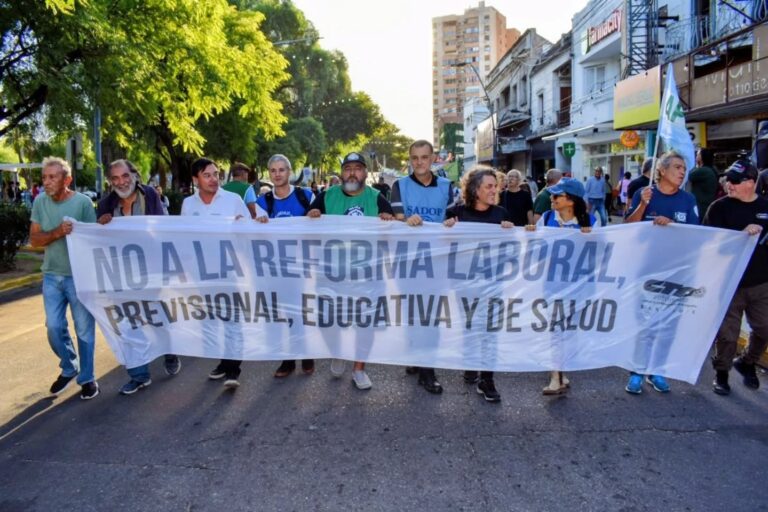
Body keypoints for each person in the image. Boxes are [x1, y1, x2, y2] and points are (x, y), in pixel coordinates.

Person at [307, 152, 394, 390]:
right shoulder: (326, 196)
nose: (352, 173)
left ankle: (359, 369)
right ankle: (338, 352)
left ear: (365, 173)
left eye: (357, 168)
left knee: (365, 323)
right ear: (342, 172)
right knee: (328, 322)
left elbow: (395, 232)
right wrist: (312, 216)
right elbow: (306, 226)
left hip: (367, 274)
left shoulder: (377, 198)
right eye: (348, 168)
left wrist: (389, 221)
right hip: (331, 274)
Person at [96, 159, 182, 395]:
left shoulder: (151, 196)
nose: (121, 182)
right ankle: (139, 375)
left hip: (152, 271)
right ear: (110, 181)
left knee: (158, 317)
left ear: (134, 175)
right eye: (115, 178)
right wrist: (100, 225)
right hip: (122, 276)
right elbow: (98, 241)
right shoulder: (105, 204)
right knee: (128, 323)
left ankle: (169, 351)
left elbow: (163, 228)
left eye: (125, 176)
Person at [182, 158, 268, 389]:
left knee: (232, 319)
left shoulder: (233, 200)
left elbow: (250, 229)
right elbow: (183, 237)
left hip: (230, 270)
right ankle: (223, 362)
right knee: (213, 319)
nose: (213, 179)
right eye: (207, 175)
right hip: (203, 272)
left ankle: (233, 370)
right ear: (195, 179)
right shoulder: (188, 205)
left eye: (216, 174)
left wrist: (251, 222)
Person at [624, 151, 699, 394]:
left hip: (677, 272)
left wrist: (672, 227)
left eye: (684, 168)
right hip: (647, 270)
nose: (682, 172)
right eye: (677, 167)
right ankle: (636, 371)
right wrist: (643, 205)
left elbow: (696, 234)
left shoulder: (688, 200)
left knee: (668, 326)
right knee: (645, 325)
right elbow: (628, 228)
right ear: (662, 171)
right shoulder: (644, 193)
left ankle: (657, 371)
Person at [29, 157, 99, 400]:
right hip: (51, 276)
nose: (46, 182)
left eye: (52, 177)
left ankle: (88, 378)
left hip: (79, 277)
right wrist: (58, 232)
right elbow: (35, 240)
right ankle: (70, 366)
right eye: (44, 177)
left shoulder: (82, 203)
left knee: (84, 330)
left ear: (66, 180)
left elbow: (94, 240)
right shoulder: (39, 202)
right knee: (54, 327)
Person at [390, 139, 456, 394]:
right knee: (413, 314)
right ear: (410, 159)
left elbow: (451, 218)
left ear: (433, 158)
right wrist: (406, 219)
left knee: (431, 316)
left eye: (424, 157)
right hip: (407, 262)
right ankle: (418, 356)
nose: (419, 162)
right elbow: (397, 220)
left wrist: (451, 223)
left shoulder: (446, 186)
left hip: (436, 261)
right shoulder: (400, 185)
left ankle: (427, 371)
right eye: (415, 158)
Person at [443, 166, 514, 403]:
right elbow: (442, 247)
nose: (495, 190)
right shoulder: (455, 214)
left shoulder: (502, 213)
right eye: (489, 186)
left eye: (496, 186)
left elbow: (513, 248)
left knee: (490, 331)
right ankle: (471, 363)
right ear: (475, 190)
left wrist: (510, 231)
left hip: (492, 281)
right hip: (465, 283)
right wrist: (447, 230)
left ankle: (487, 379)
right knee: (471, 326)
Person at [703, 160, 768, 395]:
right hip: (729, 282)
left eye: (734, 180)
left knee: (764, 328)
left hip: (761, 283)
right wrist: (740, 237)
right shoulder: (718, 208)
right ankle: (722, 373)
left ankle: (748, 361)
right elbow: (711, 245)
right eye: (727, 179)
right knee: (728, 335)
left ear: (751, 183)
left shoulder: (765, 206)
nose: (728, 184)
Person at [530, 178, 600, 395]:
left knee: (570, 331)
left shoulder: (590, 221)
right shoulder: (548, 218)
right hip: (552, 284)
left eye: (557, 195)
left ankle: (562, 371)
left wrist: (592, 239)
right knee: (555, 330)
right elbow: (536, 249)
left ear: (571, 201)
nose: (551, 199)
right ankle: (555, 376)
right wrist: (531, 234)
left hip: (580, 286)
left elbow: (603, 253)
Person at [256, 154, 316, 378]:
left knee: (303, 311)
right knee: (283, 313)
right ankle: (288, 360)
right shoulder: (265, 202)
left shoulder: (305, 196)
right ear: (269, 174)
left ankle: (307, 354)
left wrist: (315, 215)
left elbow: (321, 225)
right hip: (277, 268)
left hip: (304, 266)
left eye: (282, 170)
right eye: (273, 170)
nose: (277, 174)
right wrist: (258, 224)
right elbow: (256, 235)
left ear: (289, 172)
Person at [688, 148, 719, 222]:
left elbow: (689, 176)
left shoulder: (704, 171)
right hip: (706, 206)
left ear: (702, 157)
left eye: (698, 154)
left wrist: (696, 165)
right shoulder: (711, 169)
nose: (696, 156)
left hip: (701, 208)